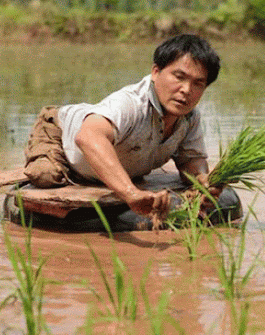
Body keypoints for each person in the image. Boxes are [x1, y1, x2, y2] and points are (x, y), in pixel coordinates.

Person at [21, 33, 238, 229]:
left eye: (198, 83)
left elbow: (190, 160)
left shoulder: (190, 117)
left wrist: (203, 182)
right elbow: (88, 137)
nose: (186, 90)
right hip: (59, 132)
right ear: (155, 72)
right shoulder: (131, 103)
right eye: (179, 77)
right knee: (45, 176)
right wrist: (130, 193)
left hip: (113, 141)